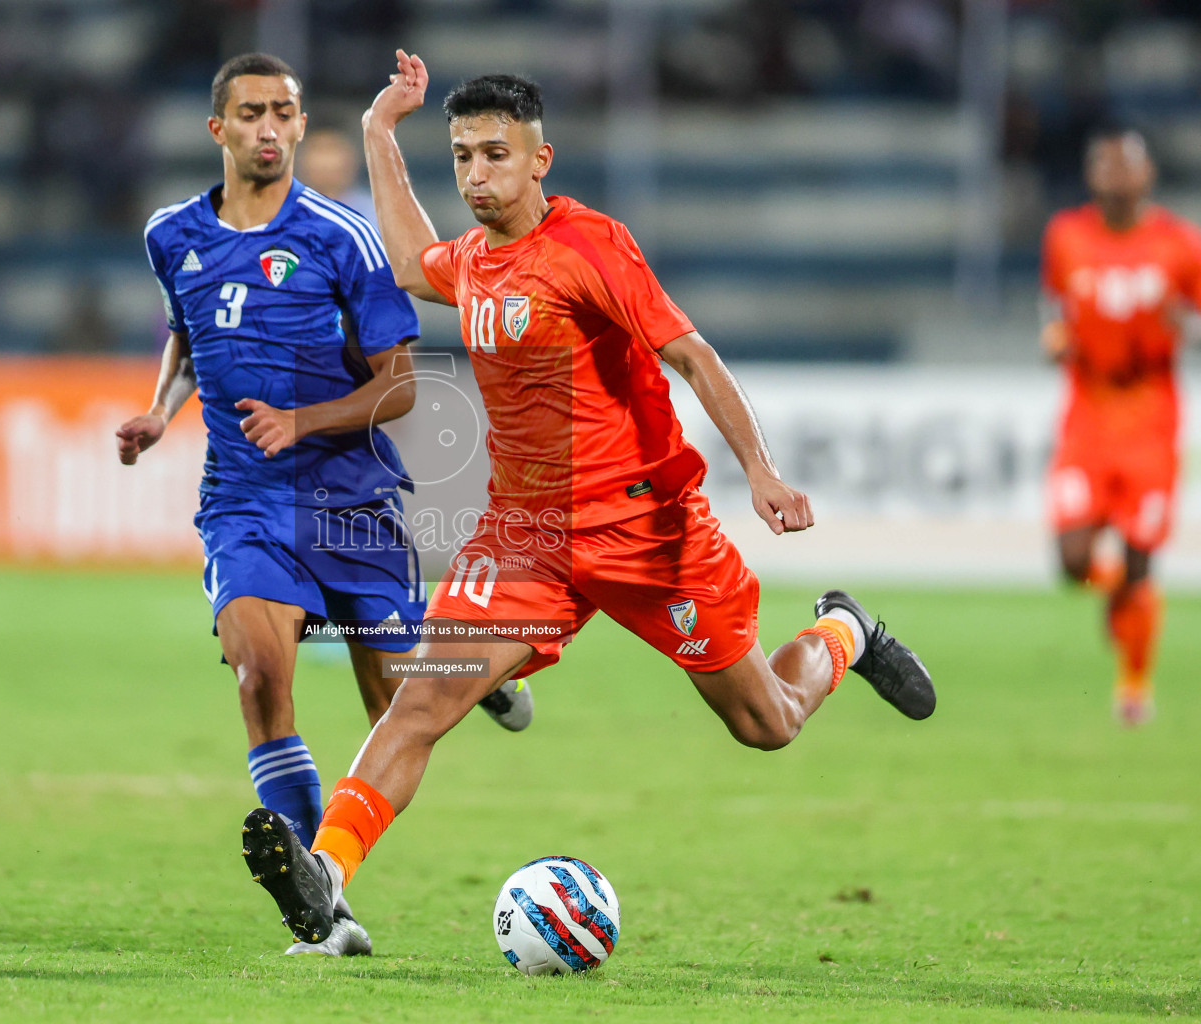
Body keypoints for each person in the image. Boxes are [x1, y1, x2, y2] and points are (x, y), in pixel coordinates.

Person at [240, 52, 936, 949]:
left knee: (767, 723)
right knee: (424, 696)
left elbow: (693, 357)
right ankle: (324, 881)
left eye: (494, 154)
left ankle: (845, 631)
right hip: (524, 538)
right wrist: (380, 131)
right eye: (461, 157)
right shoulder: (480, 261)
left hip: (649, 530)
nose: (476, 174)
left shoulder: (589, 248)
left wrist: (761, 471)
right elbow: (414, 263)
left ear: (541, 160)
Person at [115, 53, 522, 957]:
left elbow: (403, 387)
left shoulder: (345, 239)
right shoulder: (171, 235)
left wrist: (303, 421)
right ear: (218, 129)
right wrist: (160, 409)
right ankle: (321, 905)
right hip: (245, 502)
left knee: (397, 700)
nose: (272, 127)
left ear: (300, 128)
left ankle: (475, 667)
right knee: (261, 675)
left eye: (286, 113)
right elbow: (190, 333)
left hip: (352, 505)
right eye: (253, 112)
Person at [1040, 126, 1201, 726]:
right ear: (1091, 178)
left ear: (1147, 176)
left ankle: (1134, 686)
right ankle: (1119, 595)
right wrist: (1056, 339)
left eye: (1125, 166)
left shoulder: (1180, 245)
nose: (1115, 177)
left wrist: (1183, 326)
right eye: (1104, 166)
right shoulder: (1065, 236)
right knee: (1072, 559)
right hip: (1087, 418)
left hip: (1152, 420)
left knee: (1139, 558)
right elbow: (1056, 307)